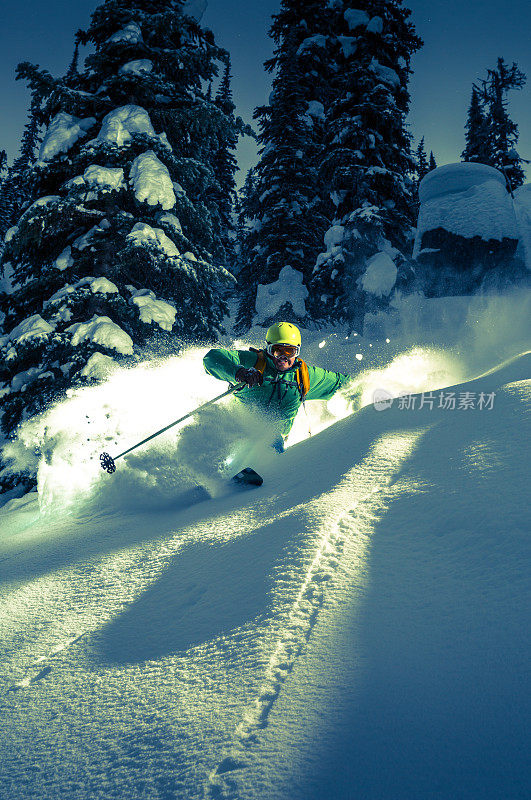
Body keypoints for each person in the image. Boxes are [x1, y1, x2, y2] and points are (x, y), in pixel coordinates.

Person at [203, 322, 351, 452]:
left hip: (275, 443)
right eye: (277, 350)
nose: (283, 357)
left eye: (290, 351)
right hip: (238, 431)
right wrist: (239, 372)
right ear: (268, 349)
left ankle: (263, 477)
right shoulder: (253, 363)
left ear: (297, 352)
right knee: (265, 438)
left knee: (272, 439)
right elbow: (211, 358)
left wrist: (366, 389)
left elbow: (343, 384)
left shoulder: (304, 376)